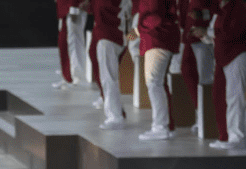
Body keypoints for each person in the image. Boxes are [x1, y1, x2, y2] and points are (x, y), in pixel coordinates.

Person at [195, 0, 246, 149]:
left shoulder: (239, 7)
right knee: (220, 96)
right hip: (225, 57)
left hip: (238, 55)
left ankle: (237, 138)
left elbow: (231, 32)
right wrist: (204, 35)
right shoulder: (221, 10)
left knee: (234, 97)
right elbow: (218, 35)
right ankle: (226, 135)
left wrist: (208, 33)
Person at [135, 0, 180, 141]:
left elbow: (153, 11)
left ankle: (160, 126)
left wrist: (129, 36)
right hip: (154, 36)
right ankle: (166, 124)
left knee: (154, 82)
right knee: (159, 83)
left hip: (157, 37)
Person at [93, 0, 127, 129]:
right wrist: (128, 40)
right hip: (119, 36)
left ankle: (115, 116)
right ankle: (116, 113)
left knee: (108, 78)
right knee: (109, 78)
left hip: (107, 37)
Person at [54, 0, 88, 88]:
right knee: (64, 44)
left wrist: (74, 8)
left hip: (72, 8)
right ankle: (68, 76)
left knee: (75, 43)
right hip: (65, 7)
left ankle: (78, 76)